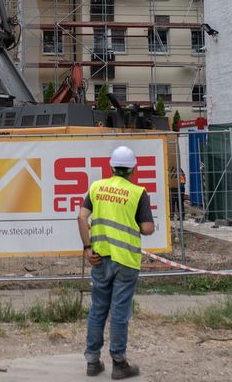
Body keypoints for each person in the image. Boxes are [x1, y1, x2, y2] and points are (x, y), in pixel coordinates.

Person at [77, 145, 155, 379]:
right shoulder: (137, 192)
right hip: (126, 262)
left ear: (111, 167)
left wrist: (87, 247)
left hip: (100, 258)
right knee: (120, 312)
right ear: (133, 169)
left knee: (98, 309)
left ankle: (92, 361)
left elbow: (81, 217)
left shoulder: (97, 187)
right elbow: (147, 228)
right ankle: (119, 363)